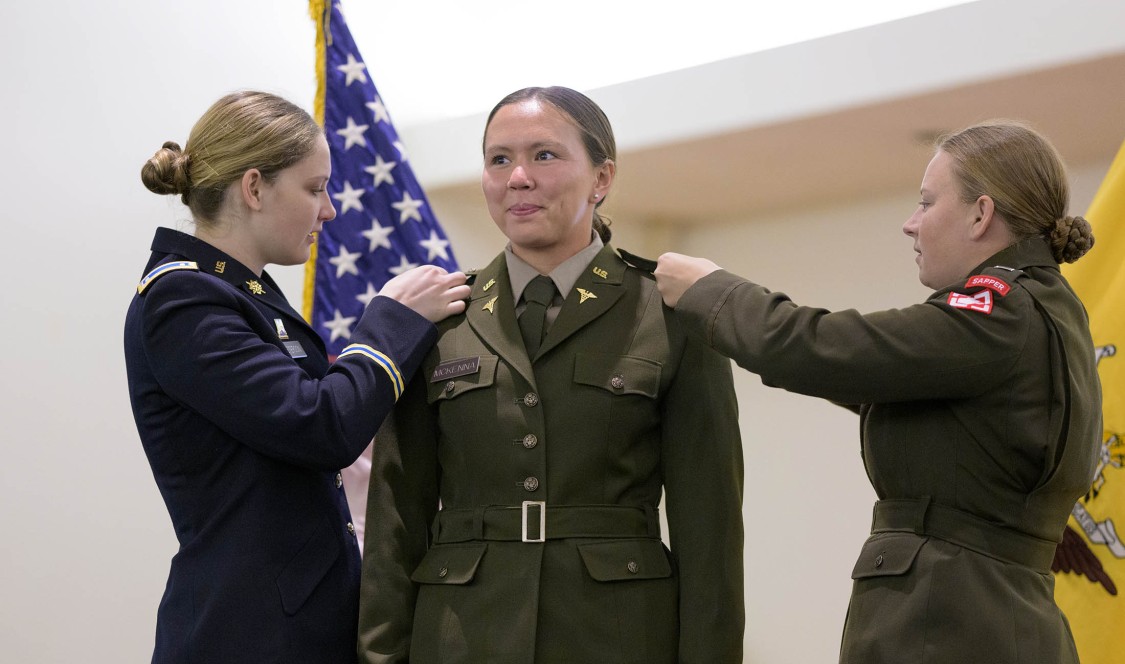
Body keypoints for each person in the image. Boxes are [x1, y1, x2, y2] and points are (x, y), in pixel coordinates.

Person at [654, 121, 1101, 663]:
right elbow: (873, 378)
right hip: (986, 618)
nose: (910, 224)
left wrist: (712, 293)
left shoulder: (998, 313)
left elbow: (825, 348)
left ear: (981, 214)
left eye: (927, 202)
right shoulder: (1044, 307)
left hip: (948, 626)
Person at [357, 86, 745, 664]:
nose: (518, 178)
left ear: (601, 178)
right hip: (462, 634)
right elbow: (396, 514)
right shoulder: (438, 319)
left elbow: (709, 526)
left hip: (617, 634)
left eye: (544, 155)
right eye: (499, 159)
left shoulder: (669, 315)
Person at [125, 90, 470, 663]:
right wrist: (392, 321)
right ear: (254, 188)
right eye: (315, 188)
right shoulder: (182, 298)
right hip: (246, 635)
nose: (329, 210)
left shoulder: (240, 292)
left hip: (292, 623)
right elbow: (320, 425)